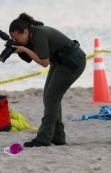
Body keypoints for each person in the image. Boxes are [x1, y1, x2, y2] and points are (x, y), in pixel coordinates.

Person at [8, 13, 86, 147]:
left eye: (17, 38)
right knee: (49, 97)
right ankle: (58, 136)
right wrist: (21, 49)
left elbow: (44, 62)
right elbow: (34, 57)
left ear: (25, 31)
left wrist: (25, 49)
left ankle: (43, 138)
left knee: (51, 97)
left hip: (73, 62)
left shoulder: (39, 34)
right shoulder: (31, 36)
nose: (16, 41)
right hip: (59, 62)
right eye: (13, 39)